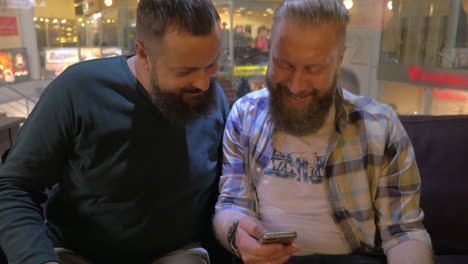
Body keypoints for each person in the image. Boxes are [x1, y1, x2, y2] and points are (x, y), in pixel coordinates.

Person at [0, 0, 229, 264]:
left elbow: (226, 188)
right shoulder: (78, 90)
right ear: (143, 54)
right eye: (184, 71)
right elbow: (13, 188)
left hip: (177, 254)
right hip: (78, 254)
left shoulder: (213, 95)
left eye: (211, 65)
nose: (202, 83)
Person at [213, 1, 433, 264]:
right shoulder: (244, 115)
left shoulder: (380, 125)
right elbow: (231, 204)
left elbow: (404, 232)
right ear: (270, 51)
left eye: (313, 69)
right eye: (283, 64)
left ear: (339, 61)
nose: (296, 85)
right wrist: (238, 233)